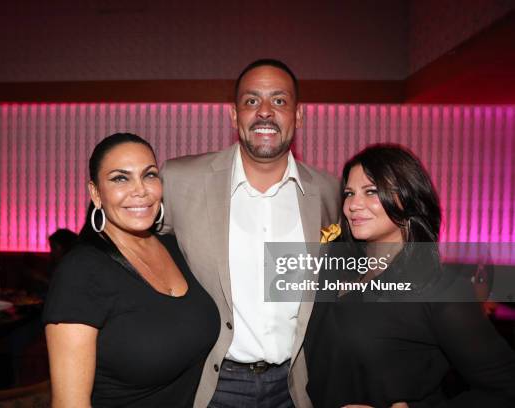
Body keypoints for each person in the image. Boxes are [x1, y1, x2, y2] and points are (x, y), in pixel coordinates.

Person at [160, 59, 340, 407]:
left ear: (298, 116)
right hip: (212, 386)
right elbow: (127, 244)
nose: (265, 112)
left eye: (280, 101)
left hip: (296, 386)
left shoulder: (329, 191)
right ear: (234, 115)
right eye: (252, 101)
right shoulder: (181, 180)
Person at [304, 145, 515, 407]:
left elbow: (505, 388)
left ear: (409, 197)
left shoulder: (441, 289)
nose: (353, 205)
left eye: (371, 191)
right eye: (349, 193)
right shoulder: (335, 263)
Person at [43, 133, 220, 407]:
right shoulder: (80, 273)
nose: (140, 190)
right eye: (120, 178)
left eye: (149, 175)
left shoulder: (174, 247)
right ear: (95, 192)